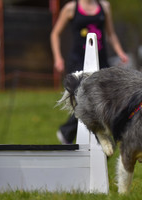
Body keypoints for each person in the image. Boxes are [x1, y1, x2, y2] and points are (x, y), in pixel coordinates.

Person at [51, 0, 128, 144]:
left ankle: (69, 133)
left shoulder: (104, 6)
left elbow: (110, 34)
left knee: (106, 101)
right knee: (87, 100)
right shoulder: (71, 8)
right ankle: (69, 131)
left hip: (101, 61)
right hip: (78, 62)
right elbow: (55, 34)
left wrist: (120, 52)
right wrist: (57, 58)